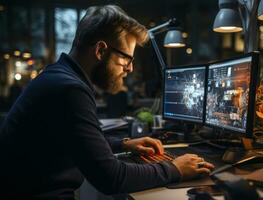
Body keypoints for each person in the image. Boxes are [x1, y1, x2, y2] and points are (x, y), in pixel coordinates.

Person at [0, 5, 214, 199]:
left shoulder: (59, 76)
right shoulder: (70, 89)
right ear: (100, 50)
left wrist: (122, 144)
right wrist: (175, 169)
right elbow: (112, 178)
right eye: (127, 59)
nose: (129, 68)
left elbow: (78, 140)